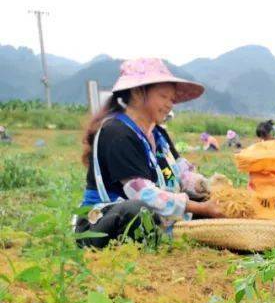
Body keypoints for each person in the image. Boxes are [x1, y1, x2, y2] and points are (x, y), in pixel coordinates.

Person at [74, 58, 222, 248]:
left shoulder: (158, 134)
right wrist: (200, 208)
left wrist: (209, 189)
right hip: (103, 222)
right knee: (138, 210)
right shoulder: (116, 132)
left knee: (205, 201)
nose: (169, 104)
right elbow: (141, 193)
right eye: (163, 96)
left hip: (152, 214)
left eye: (172, 99)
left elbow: (182, 173)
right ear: (137, 93)